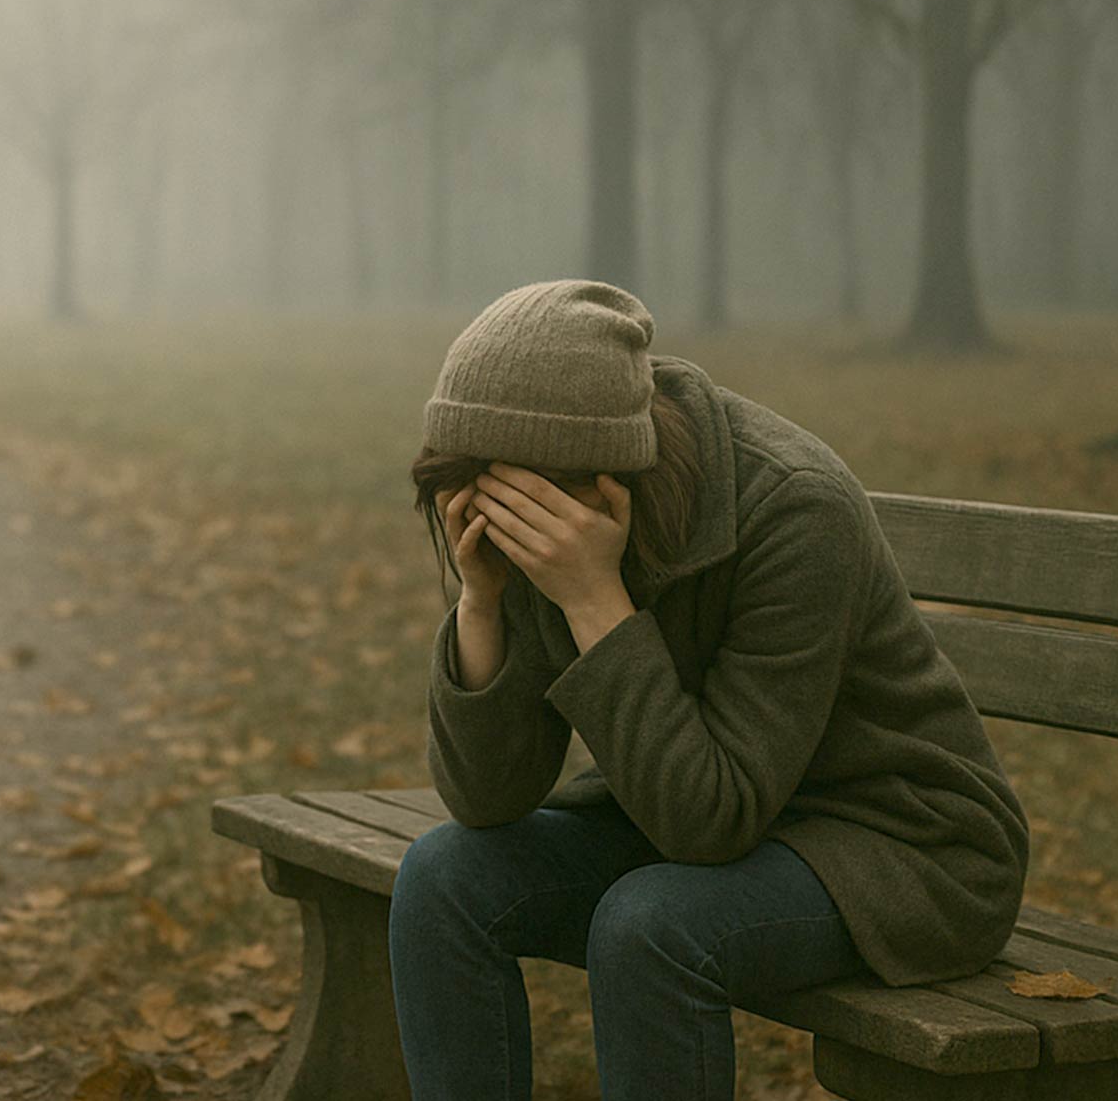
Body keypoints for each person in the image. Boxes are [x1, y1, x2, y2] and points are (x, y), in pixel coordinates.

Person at [387, 279, 1028, 1100]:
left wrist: (592, 600)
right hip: (701, 817)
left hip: (900, 847)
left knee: (650, 926)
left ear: (608, 474)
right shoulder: (557, 514)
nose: (505, 518)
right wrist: (485, 604)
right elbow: (487, 799)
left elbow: (711, 823)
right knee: (443, 876)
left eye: (525, 499)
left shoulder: (794, 505)